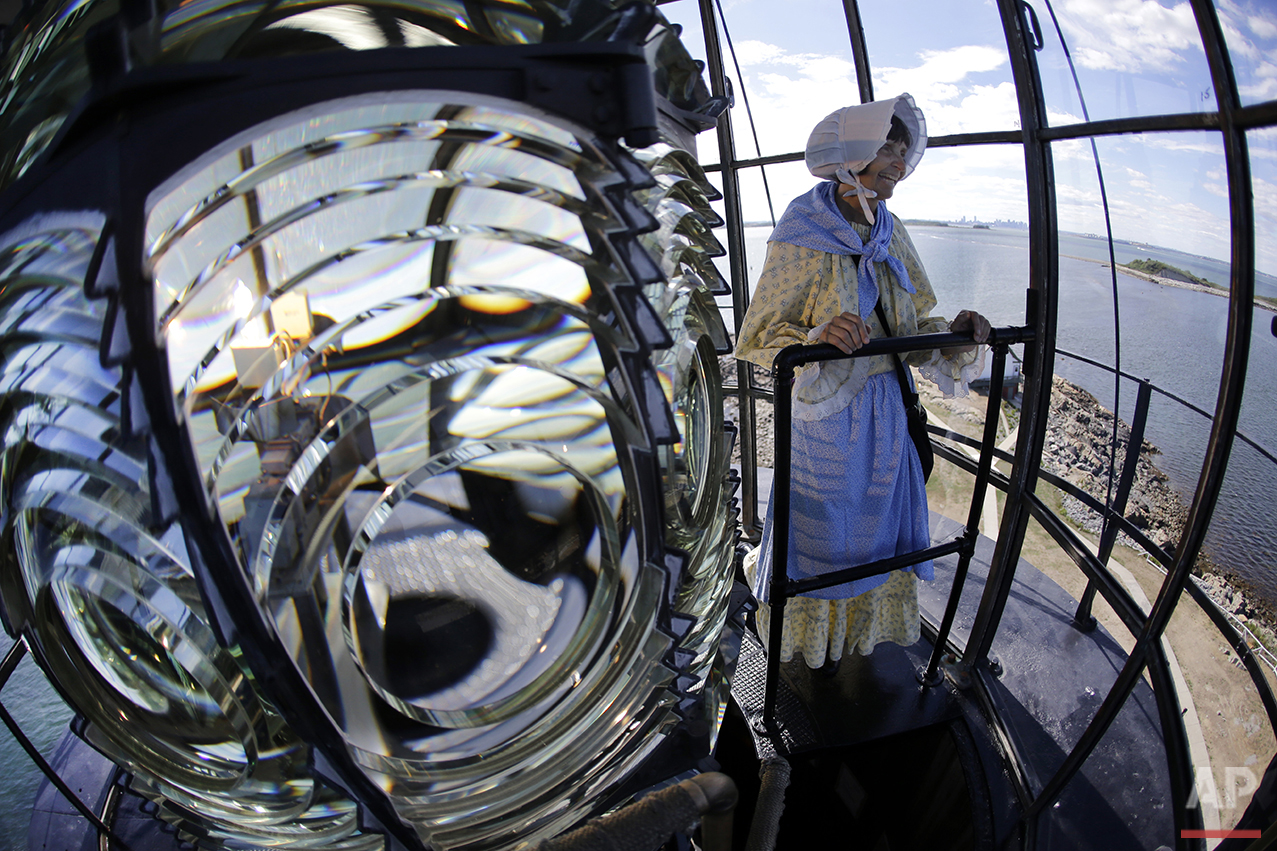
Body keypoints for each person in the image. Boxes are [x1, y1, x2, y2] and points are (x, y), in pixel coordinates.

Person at [734, 94, 991, 671]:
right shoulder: (804, 228)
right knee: (824, 541)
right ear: (851, 158)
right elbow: (759, 335)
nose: (897, 165)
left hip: (887, 417)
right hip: (827, 421)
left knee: (875, 539)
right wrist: (819, 337)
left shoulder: (890, 232)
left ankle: (858, 638)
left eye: (901, 153)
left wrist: (955, 334)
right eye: (886, 153)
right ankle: (812, 643)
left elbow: (914, 326)